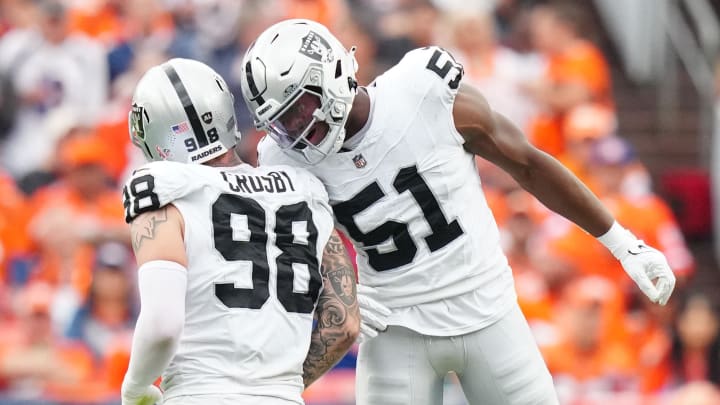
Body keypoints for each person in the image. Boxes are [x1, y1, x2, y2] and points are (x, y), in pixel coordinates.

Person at [240, 19, 677, 404]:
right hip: (393, 331)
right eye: (280, 122)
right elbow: (290, 248)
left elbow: (526, 163)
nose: (293, 132)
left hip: (487, 309)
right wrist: (331, 292)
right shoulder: (284, 159)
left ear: (332, 75)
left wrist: (623, 243)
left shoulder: (421, 90)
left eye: (298, 110)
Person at [119, 58, 360, 405]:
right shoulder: (304, 188)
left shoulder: (161, 190)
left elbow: (162, 324)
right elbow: (345, 323)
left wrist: (135, 388)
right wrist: (277, 386)